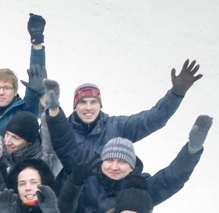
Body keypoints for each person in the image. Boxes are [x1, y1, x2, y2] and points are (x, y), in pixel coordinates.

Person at [58, 126, 211, 213]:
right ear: (102, 162)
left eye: (122, 162)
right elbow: (64, 210)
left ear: (132, 167)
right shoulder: (86, 177)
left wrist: (192, 150)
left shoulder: (141, 188)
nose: (114, 166)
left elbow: (171, 178)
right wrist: (74, 182)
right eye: (109, 160)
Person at [60, 61, 202, 157]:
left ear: (100, 105)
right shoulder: (61, 130)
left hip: (107, 199)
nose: (88, 107)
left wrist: (176, 93)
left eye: (93, 102)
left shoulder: (117, 126)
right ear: (75, 106)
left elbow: (153, 119)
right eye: (83, 102)